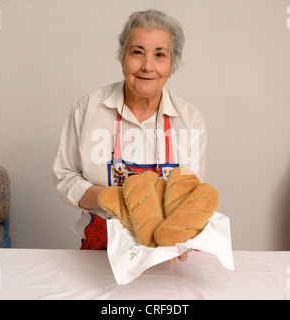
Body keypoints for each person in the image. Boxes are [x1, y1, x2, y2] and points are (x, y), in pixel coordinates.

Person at [52, 9, 207, 263]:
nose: (147, 66)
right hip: (99, 253)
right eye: (137, 52)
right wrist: (107, 197)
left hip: (164, 253)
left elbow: (188, 195)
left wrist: (179, 235)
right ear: (122, 57)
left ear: (172, 64)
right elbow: (63, 177)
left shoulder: (190, 120)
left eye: (160, 54)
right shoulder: (89, 109)